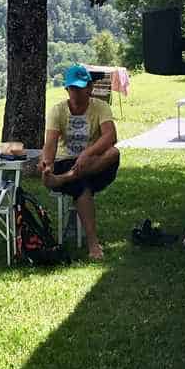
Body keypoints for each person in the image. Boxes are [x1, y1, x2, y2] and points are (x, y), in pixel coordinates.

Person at [39, 62, 119, 261]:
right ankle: (93, 245)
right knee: (82, 187)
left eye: (80, 87)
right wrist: (47, 165)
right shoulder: (57, 110)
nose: (75, 92)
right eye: (72, 88)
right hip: (67, 161)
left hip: (93, 164)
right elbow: (50, 143)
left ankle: (66, 178)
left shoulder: (101, 106)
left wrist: (87, 154)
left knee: (114, 153)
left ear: (89, 88)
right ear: (67, 89)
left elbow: (110, 137)